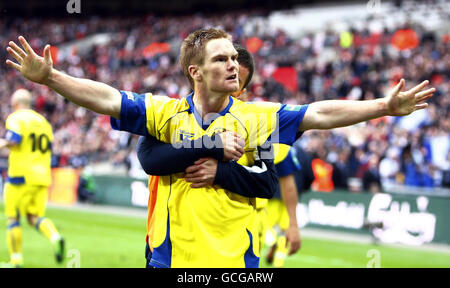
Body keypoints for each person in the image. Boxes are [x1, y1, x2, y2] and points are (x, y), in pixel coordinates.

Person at [6, 28, 434, 267]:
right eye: (221, 59)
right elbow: (107, 98)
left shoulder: (259, 118)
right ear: (195, 71)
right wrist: (51, 78)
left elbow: (317, 115)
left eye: (233, 57)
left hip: (235, 264)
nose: (234, 64)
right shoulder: (163, 112)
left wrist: (383, 106)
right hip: (168, 259)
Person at [0, 89, 65, 268]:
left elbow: (14, 139)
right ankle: (55, 237)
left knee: (13, 218)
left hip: (20, 175)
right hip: (42, 176)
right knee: (33, 217)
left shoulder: (16, 118)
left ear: (14, 104)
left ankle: (16, 261)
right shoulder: (44, 122)